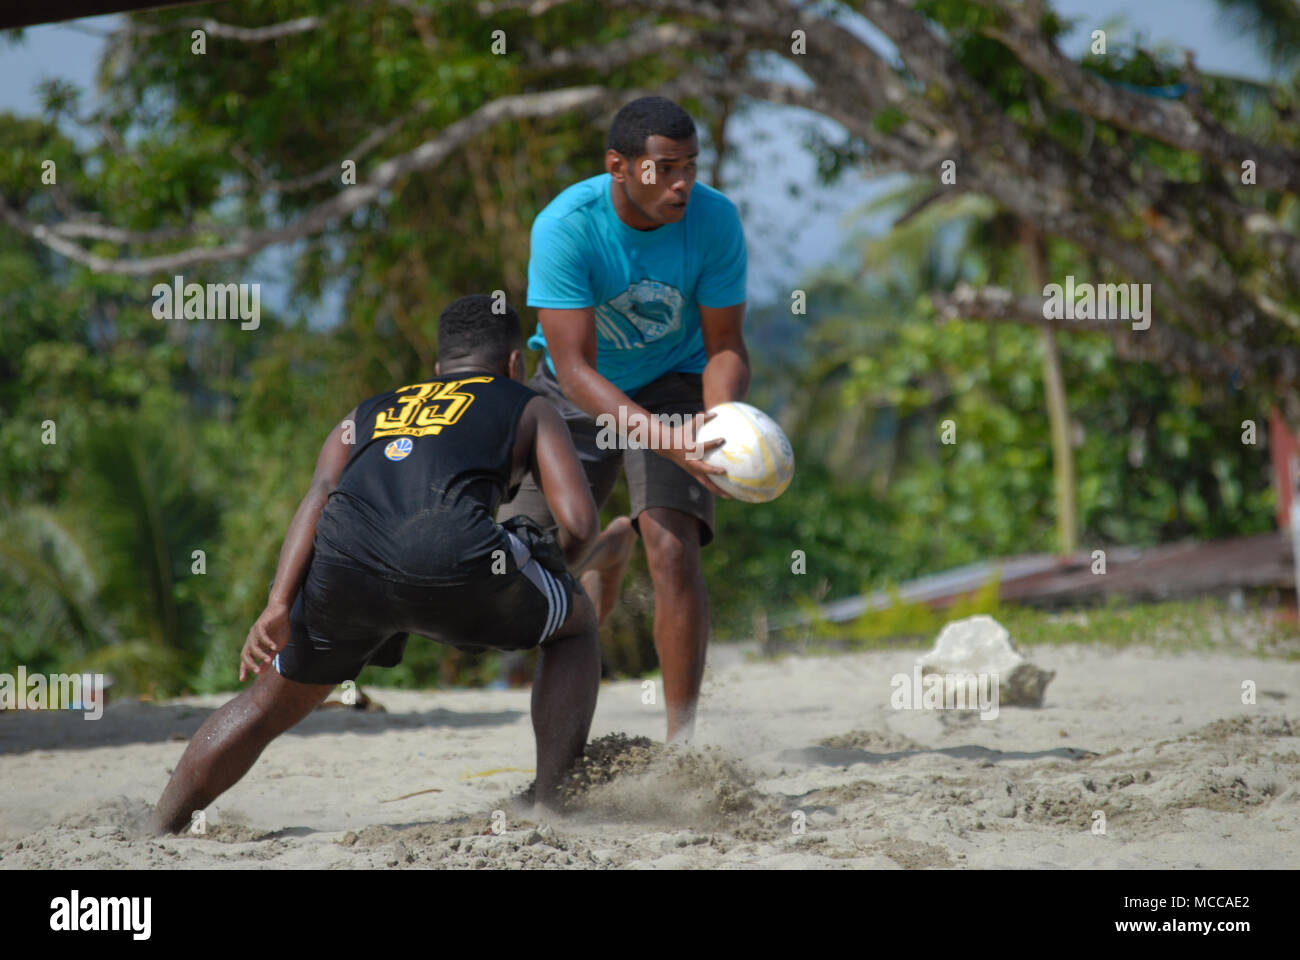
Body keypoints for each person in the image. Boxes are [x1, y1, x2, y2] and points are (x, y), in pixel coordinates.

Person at [150, 295, 600, 834]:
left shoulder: (366, 411)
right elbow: (578, 522)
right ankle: (552, 806)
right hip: (453, 556)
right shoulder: (527, 404)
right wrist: (553, 582)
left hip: (343, 569)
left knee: (264, 706)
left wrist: (277, 604)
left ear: (437, 370)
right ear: (513, 364)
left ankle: (158, 828)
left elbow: (319, 492)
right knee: (575, 628)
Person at [497, 96, 750, 742]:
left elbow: (724, 343)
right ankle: (606, 548)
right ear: (618, 166)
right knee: (517, 569)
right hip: (573, 390)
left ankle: (681, 745)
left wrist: (715, 425)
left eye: (690, 166)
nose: (682, 184)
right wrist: (663, 440)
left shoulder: (715, 220)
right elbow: (576, 368)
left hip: (673, 381)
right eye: (664, 169)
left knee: (671, 547)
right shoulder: (566, 226)